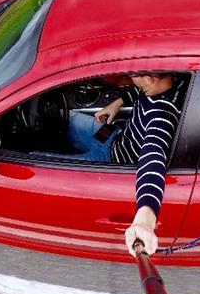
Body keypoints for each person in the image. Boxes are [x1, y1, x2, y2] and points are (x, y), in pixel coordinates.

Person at [64, 72, 184, 257]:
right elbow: (138, 92)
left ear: (150, 78)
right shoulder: (173, 81)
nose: (133, 83)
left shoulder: (161, 116)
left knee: (37, 159)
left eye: (136, 81)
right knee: (64, 119)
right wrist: (117, 103)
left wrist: (144, 220)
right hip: (112, 135)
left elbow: (153, 158)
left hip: (109, 160)